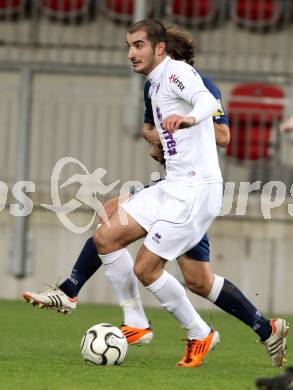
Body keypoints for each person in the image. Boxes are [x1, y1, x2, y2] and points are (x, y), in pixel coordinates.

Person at [23, 21, 288, 368]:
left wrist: (189, 120)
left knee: (147, 268)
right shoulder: (154, 86)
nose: (131, 53)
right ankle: (263, 329)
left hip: (195, 191)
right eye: (128, 46)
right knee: (108, 235)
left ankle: (198, 333)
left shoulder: (179, 73)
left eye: (138, 45)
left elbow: (209, 107)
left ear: (160, 49)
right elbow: (153, 131)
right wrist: (165, 141)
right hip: (173, 185)